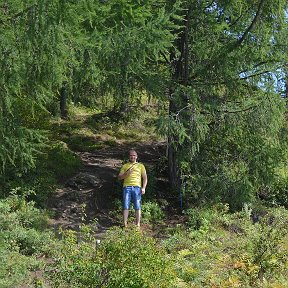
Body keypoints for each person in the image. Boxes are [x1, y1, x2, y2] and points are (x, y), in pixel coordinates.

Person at [118, 149, 147, 228]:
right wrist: (127, 173)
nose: (132, 157)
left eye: (134, 155)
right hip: (126, 187)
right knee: (125, 205)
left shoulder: (141, 166)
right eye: (131, 155)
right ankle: (125, 224)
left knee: (137, 206)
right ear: (129, 157)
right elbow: (119, 177)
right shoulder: (125, 166)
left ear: (136, 157)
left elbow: (145, 178)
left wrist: (143, 188)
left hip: (137, 187)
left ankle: (137, 224)